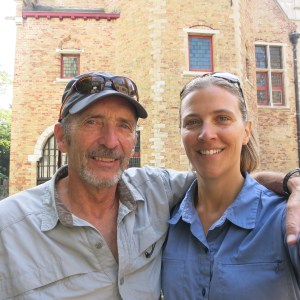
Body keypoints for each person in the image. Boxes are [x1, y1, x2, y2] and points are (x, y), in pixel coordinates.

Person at [0, 71, 299, 300]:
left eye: (124, 126)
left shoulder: (156, 195)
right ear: (62, 137)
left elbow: (223, 177)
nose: (110, 141)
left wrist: (288, 182)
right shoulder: (8, 230)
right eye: (92, 122)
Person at [161, 72, 300, 299]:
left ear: (246, 131)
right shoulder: (167, 224)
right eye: (193, 122)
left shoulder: (286, 219)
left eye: (222, 118)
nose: (206, 134)